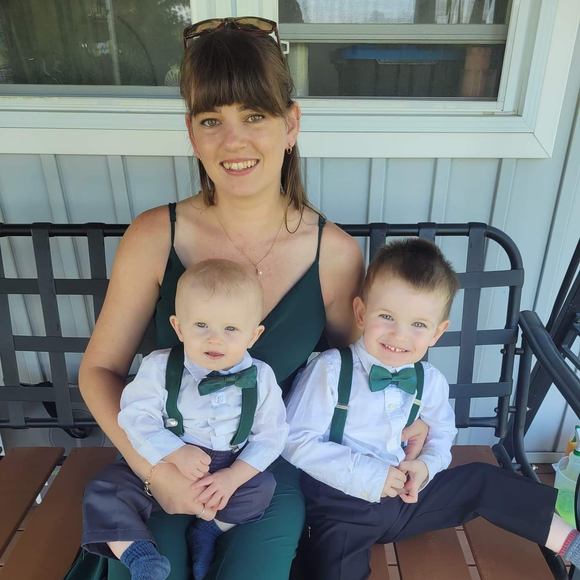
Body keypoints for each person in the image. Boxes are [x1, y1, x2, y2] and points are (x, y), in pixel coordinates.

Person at [68, 17, 428, 580]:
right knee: (151, 567)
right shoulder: (154, 235)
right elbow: (100, 370)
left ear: (291, 125)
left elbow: (364, 369)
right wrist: (153, 468)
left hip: (267, 461)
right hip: (163, 448)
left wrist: (416, 421)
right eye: (212, 120)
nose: (233, 142)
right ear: (192, 133)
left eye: (254, 116)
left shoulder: (332, 254)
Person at [283, 237, 580, 580]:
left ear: (437, 332)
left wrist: (425, 466)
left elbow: (442, 434)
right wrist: (369, 475)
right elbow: (294, 440)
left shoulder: (430, 380)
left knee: (483, 480)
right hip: (344, 507)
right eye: (386, 316)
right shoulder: (331, 370)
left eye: (418, 325)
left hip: (407, 499)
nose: (400, 335)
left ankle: (570, 544)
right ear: (361, 313)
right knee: (335, 568)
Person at [81, 260, 288, 580]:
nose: (215, 339)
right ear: (179, 327)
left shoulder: (261, 377)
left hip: (227, 471)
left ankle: (209, 530)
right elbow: (135, 417)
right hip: (165, 463)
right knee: (104, 490)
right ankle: (141, 558)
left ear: (253, 335)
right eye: (201, 325)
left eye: (231, 329)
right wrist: (173, 452)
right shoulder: (160, 368)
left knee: (262, 487)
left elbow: (271, 436)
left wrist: (233, 477)